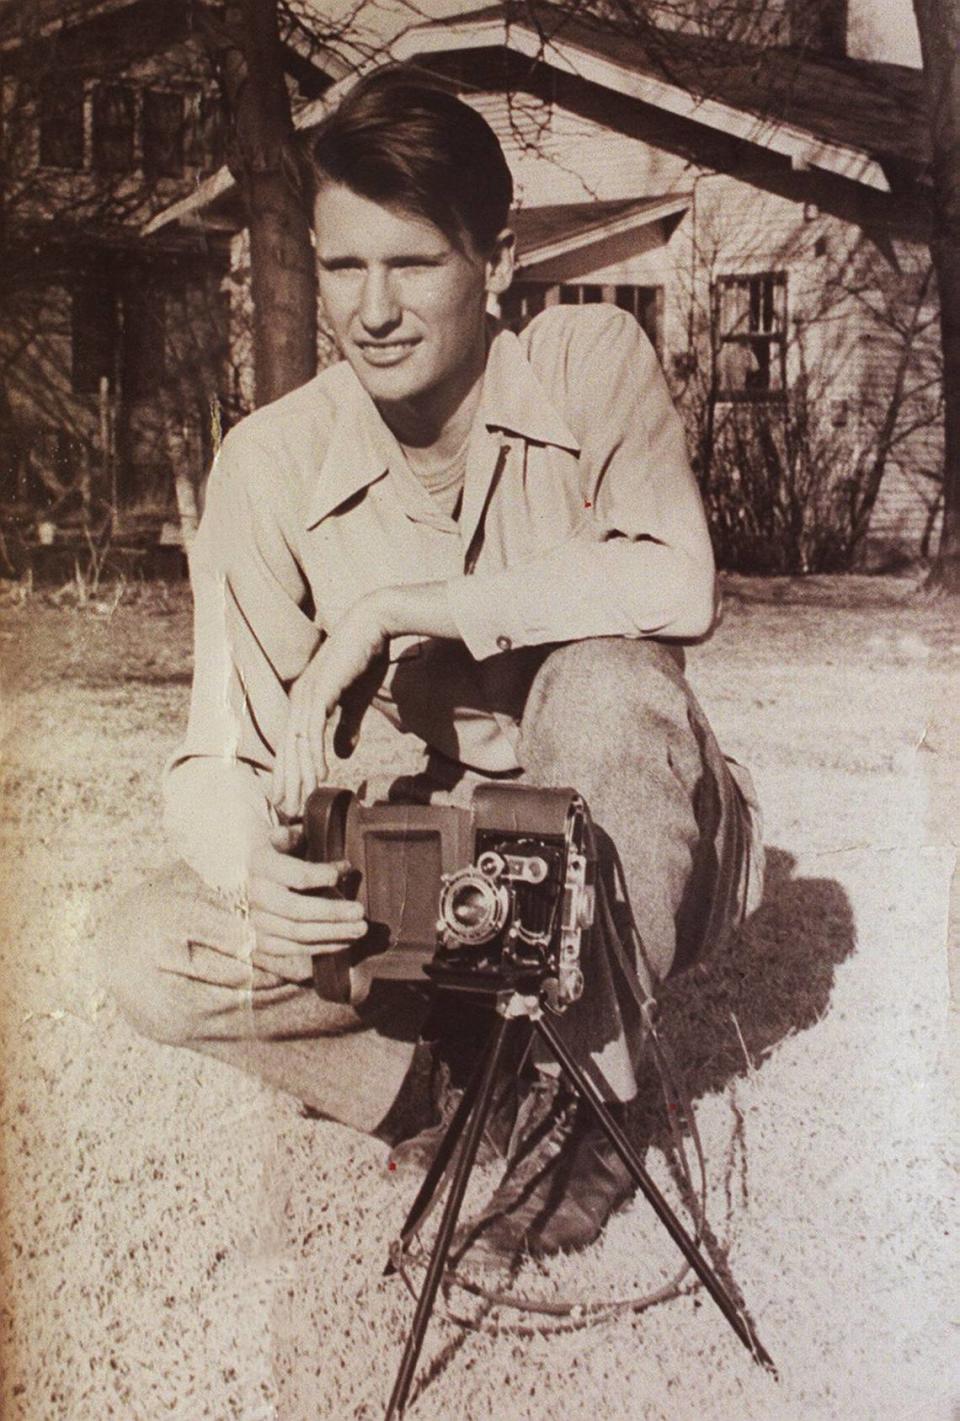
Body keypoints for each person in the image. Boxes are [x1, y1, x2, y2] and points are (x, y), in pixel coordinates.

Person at [101, 70, 763, 1263]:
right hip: (427, 898)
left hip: (628, 858)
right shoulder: (267, 466)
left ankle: (588, 1099)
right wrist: (251, 862)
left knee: (606, 677)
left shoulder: (591, 359)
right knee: (141, 946)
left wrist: (408, 609)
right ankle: (432, 1087)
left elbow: (679, 582)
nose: (372, 309)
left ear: (495, 260)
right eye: (344, 266)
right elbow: (218, 751)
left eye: (411, 264)